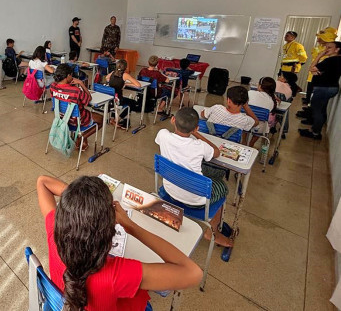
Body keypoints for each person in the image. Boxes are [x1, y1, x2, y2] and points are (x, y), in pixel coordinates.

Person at [36, 175, 202, 310]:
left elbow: (42, 182)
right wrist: (131, 227)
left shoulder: (55, 237)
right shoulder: (118, 275)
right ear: (110, 228)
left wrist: (82, 204)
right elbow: (193, 273)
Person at [155, 108, 232, 247]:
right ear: (196, 128)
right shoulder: (200, 146)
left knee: (197, 173)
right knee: (222, 187)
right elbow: (216, 152)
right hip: (196, 201)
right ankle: (212, 231)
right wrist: (197, 134)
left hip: (169, 191)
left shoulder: (163, 135)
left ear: (173, 120)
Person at [50, 64, 101, 151]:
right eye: (71, 75)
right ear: (68, 76)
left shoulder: (53, 86)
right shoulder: (75, 91)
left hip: (61, 119)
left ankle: (80, 137)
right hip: (77, 120)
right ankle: (82, 136)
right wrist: (81, 83)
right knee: (101, 119)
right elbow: (89, 99)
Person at [299, 41, 341, 140]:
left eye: (329, 47)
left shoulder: (330, 60)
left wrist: (319, 55)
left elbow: (312, 68)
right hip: (331, 88)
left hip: (324, 88)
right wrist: (318, 72)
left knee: (317, 110)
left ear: (337, 49)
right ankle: (315, 130)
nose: (326, 50)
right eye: (325, 47)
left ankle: (315, 133)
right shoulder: (338, 60)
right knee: (321, 109)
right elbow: (320, 72)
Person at [304, 27, 338, 104]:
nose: (319, 38)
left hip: (321, 73)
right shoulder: (319, 47)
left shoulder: (331, 50)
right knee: (311, 90)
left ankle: (310, 107)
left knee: (318, 101)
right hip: (315, 70)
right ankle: (309, 105)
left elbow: (327, 64)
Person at [105, 59, 141, 126]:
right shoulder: (125, 75)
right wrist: (127, 84)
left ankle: (112, 118)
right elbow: (138, 85)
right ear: (126, 68)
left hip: (111, 99)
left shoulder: (113, 72)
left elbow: (107, 78)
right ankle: (117, 119)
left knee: (116, 101)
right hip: (118, 99)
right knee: (132, 103)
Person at [247, 77, 278, 147]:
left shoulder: (250, 93)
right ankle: (251, 143)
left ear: (260, 86)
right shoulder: (272, 101)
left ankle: (243, 140)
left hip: (244, 124)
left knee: (245, 116)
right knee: (264, 123)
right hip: (259, 129)